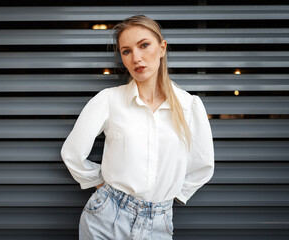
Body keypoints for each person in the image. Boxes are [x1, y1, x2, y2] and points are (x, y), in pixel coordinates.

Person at [60, 15, 215, 240]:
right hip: (106, 218)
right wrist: (102, 185)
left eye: (144, 45)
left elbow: (203, 165)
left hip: (159, 222)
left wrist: (169, 195)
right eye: (126, 51)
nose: (136, 58)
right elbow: (72, 153)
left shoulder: (189, 106)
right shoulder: (109, 100)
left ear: (162, 48)